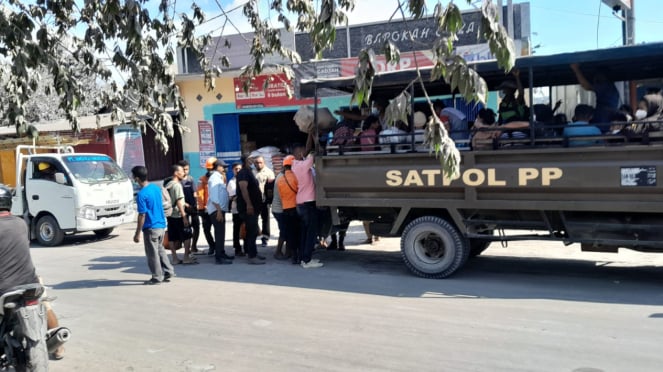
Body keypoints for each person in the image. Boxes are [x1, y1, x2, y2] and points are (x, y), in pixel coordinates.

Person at [0, 185, 65, 359]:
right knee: (45, 304)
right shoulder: (21, 223)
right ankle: (58, 347)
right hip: (31, 282)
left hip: (4, 287)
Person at [131, 166, 175, 285]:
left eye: (133, 176)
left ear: (136, 178)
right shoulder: (155, 188)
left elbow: (142, 215)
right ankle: (168, 271)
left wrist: (137, 233)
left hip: (151, 227)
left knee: (152, 253)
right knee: (160, 249)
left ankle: (157, 277)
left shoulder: (142, 194)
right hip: (161, 224)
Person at [292, 147, 323, 268]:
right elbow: (313, 155)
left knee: (305, 232)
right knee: (310, 233)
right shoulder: (303, 166)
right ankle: (307, 260)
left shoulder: (295, 165)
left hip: (301, 202)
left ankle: (303, 259)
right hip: (308, 203)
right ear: (300, 153)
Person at [570, 63, 619, 130]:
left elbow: (586, 86)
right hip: (605, 119)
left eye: (597, 75)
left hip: (603, 119)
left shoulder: (606, 86)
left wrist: (576, 69)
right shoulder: (610, 87)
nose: (595, 77)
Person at [236, 155, 266, 265]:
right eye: (250, 159)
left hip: (253, 206)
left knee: (252, 230)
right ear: (246, 161)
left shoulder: (249, 172)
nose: (252, 161)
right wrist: (249, 204)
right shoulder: (243, 173)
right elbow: (244, 189)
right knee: (252, 231)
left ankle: (252, 252)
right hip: (248, 208)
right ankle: (252, 256)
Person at [164, 164, 194, 265]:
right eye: (181, 171)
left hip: (170, 214)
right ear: (176, 173)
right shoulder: (177, 185)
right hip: (178, 214)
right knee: (187, 235)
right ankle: (186, 257)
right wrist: (184, 216)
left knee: (172, 236)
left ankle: (174, 258)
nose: (183, 173)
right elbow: (178, 201)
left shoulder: (168, 184)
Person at [206, 159, 233, 265]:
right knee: (219, 233)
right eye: (223, 167)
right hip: (217, 210)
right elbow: (213, 196)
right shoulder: (214, 178)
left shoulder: (219, 178)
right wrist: (219, 211)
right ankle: (219, 257)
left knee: (221, 233)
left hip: (220, 209)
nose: (225, 169)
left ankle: (222, 253)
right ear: (218, 167)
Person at [276, 155, 301, 263]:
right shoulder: (296, 177)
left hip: (285, 209)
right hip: (295, 208)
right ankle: (299, 255)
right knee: (298, 233)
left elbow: (281, 196)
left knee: (290, 233)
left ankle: (293, 256)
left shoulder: (280, 180)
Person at [178, 160, 201, 253]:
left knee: (197, 226)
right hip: (183, 209)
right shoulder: (177, 181)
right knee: (186, 229)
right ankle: (187, 249)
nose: (185, 171)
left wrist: (197, 202)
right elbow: (178, 197)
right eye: (183, 169)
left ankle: (194, 246)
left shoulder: (190, 179)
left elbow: (194, 192)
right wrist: (185, 204)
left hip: (193, 207)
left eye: (187, 169)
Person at [252, 155, 275, 247]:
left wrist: (270, 200)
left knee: (265, 219)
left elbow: (272, 188)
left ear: (264, 163)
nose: (258, 164)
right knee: (253, 218)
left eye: (260, 162)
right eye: (257, 163)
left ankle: (265, 237)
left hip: (264, 199)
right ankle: (256, 233)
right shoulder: (252, 172)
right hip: (254, 200)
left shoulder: (269, 172)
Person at [196, 157, 216, 255]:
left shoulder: (221, 177)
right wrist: (201, 208)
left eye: (211, 169)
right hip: (205, 209)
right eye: (208, 169)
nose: (209, 171)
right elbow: (200, 194)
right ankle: (212, 246)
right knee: (207, 229)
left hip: (217, 209)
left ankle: (219, 247)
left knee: (218, 229)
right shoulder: (202, 179)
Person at [227, 162, 245, 257]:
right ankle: (237, 249)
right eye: (236, 169)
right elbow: (234, 197)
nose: (238, 170)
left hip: (245, 209)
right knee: (237, 229)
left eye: (239, 168)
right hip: (236, 209)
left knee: (246, 229)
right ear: (233, 171)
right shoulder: (231, 182)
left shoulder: (245, 180)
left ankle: (247, 248)